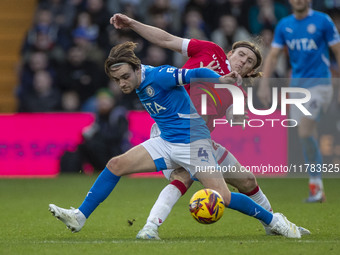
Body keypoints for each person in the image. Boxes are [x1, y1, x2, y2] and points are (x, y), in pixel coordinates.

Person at [49, 41, 303, 239]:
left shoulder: (159, 75)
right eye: (117, 79)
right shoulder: (137, 81)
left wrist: (219, 80)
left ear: (137, 69)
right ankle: (79, 216)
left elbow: (191, 74)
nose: (122, 83)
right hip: (166, 140)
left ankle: (275, 221)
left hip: (195, 144)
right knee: (116, 164)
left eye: (125, 77)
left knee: (223, 197)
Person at [110, 13, 310, 239]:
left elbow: (236, 119)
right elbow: (167, 40)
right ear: (230, 53)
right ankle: (150, 227)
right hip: (172, 132)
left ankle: (273, 223)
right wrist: (133, 24)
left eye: (249, 62)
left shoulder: (238, 92)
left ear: (250, 73)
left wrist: (236, 110)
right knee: (182, 176)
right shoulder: (208, 50)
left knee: (247, 180)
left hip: (199, 140)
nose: (243, 61)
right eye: (241, 55)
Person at [257, 0, 340, 203]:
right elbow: (273, 56)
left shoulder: (322, 21)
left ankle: (317, 187)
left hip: (320, 85)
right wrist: (264, 83)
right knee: (307, 135)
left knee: (304, 130)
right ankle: (316, 189)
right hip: (296, 88)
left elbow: (337, 50)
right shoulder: (284, 24)